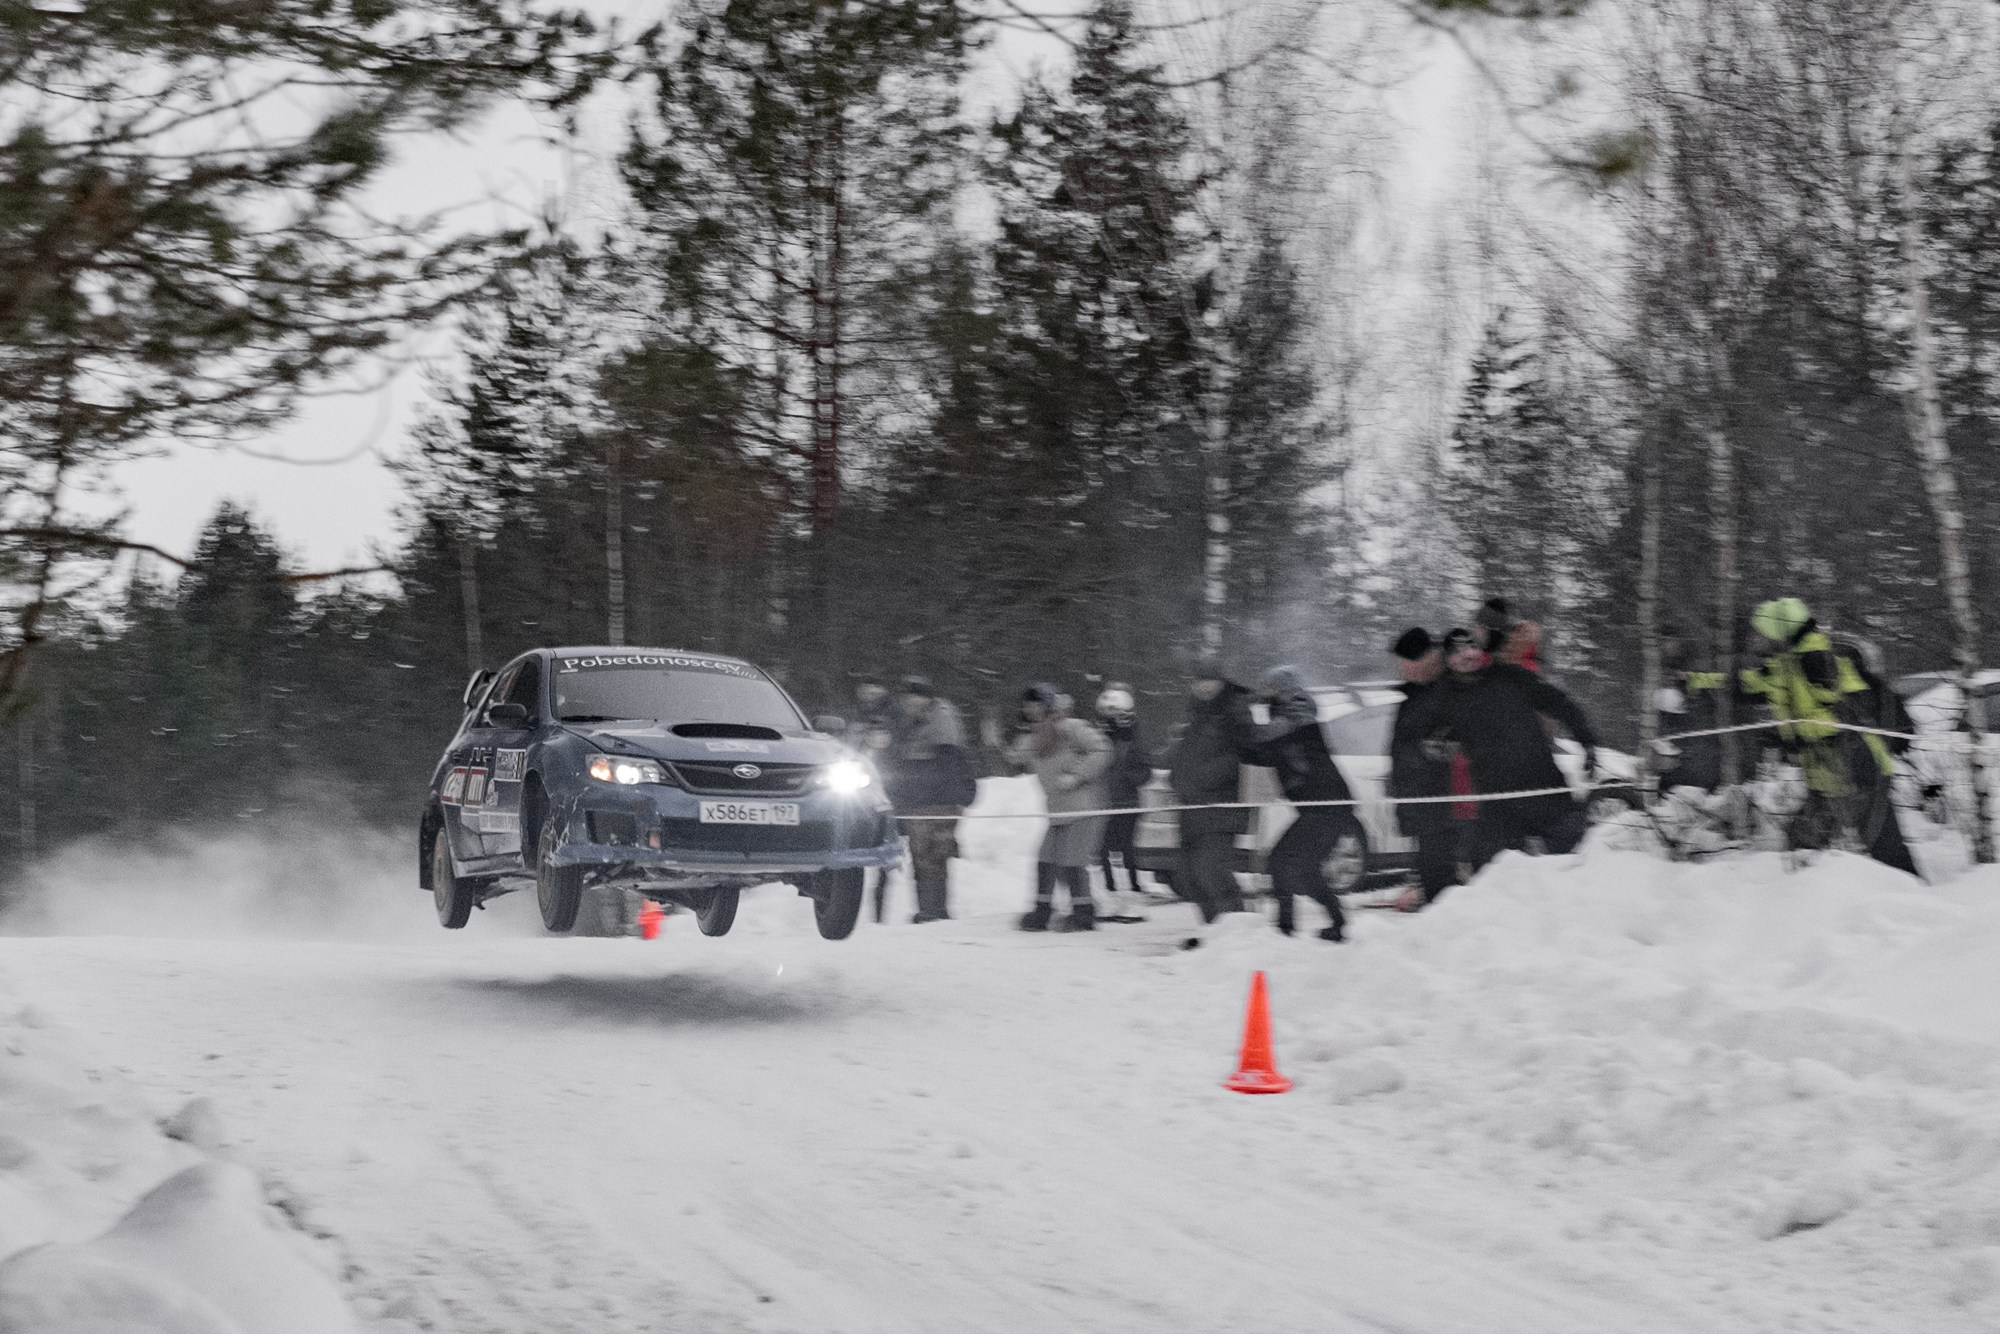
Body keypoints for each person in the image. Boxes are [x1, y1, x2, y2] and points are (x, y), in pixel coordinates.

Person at [1686, 597, 1916, 874]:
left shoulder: (1818, 659)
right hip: (1828, 777)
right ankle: (1822, 902)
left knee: (1886, 851)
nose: (1759, 639)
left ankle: (1916, 902)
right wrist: (1696, 682)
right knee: (1803, 848)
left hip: (1859, 770)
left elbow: (1848, 717)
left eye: (1764, 632)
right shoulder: (1786, 665)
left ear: (1780, 631)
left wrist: (1792, 731)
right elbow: (1746, 683)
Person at [1402, 627, 1601, 871]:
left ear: (1480, 651)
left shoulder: (1510, 677)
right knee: (1500, 879)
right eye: (1456, 651)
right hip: (1499, 807)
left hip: (1546, 792)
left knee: (1572, 866)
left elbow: (1560, 703)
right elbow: (1418, 736)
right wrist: (1432, 746)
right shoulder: (1443, 697)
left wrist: (1587, 741)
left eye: (1471, 647)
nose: (1466, 655)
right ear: (1448, 659)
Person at [1242, 666, 1356, 942]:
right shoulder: (1293, 718)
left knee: (1280, 862)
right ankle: (1336, 922)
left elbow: (1260, 742)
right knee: (1304, 869)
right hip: (1327, 808)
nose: (1265, 695)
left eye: (1269, 689)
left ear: (1282, 690)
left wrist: (1240, 718)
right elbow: (1266, 753)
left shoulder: (1295, 719)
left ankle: (1285, 930)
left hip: (1326, 809)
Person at [1006, 684, 1112, 931]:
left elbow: (1103, 749)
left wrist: (1077, 775)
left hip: (1083, 809)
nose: (1033, 712)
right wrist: (991, 741)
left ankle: (1083, 914)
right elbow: (1013, 761)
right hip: (1056, 813)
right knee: (1045, 860)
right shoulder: (1029, 739)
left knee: (1072, 862)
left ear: (1049, 707)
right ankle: (1040, 912)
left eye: (1038, 706)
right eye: (1028, 707)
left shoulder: (1072, 728)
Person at [1165, 671, 1255, 926]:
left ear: (1222, 683)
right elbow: (1183, 757)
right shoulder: (1195, 716)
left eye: (1209, 681)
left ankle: (1238, 931)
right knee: (1187, 876)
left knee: (1211, 871)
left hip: (1220, 809)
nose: (1203, 687)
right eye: (1197, 681)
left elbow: (1243, 756)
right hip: (1191, 809)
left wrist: (1203, 777)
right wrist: (1176, 777)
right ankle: (1215, 932)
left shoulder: (1235, 711)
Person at [886, 676, 977, 923]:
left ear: (925, 698)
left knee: (933, 856)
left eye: (913, 698)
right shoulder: (915, 721)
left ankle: (934, 910)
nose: (908, 703)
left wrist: (957, 794)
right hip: (921, 800)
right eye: (906, 699)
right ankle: (929, 909)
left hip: (937, 799)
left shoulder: (940, 717)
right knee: (922, 856)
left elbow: (949, 760)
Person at [1386, 629, 1456, 912]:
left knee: (1440, 874)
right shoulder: (1415, 696)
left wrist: (1435, 750)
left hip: (1439, 800)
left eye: (1409, 660)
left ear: (1427, 658)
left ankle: (1445, 924)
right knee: (1429, 871)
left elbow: (1451, 740)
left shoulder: (1445, 691)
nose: (1404, 667)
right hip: (1419, 800)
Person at [1094, 683, 1154, 923]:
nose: (1114, 720)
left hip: (1127, 803)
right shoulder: (1098, 738)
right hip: (1102, 802)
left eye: (1119, 715)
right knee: (1103, 850)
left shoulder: (1133, 740)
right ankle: (1109, 896)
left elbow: (1146, 771)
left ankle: (1133, 896)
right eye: (1109, 715)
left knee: (1125, 849)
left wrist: (1130, 775)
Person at [845, 672, 901, 922]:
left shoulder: (894, 714)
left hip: (890, 791)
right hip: (856, 793)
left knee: (886, 858)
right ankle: (851, 912)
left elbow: (899, 753)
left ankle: (879, 917)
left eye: (875, 687)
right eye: (866, 688)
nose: (870, 692)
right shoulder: (856, 716)